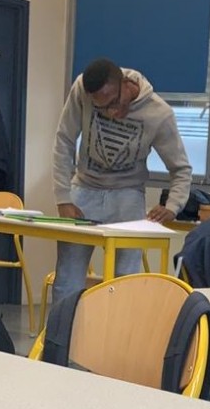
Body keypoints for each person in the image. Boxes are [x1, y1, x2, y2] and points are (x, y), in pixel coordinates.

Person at [51, 58, 192, 302]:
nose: (112, 113)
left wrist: (172, 206)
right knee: (67, 277)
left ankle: (119, 327)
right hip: (84, 189)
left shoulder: (158, 114)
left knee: (125, 280)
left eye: (114, 103)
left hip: (128, 195)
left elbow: (181, 169)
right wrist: (63, 198)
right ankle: (63, 327)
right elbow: (64, 140)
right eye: (102, 108)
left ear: (126, 84)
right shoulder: (81, 89)